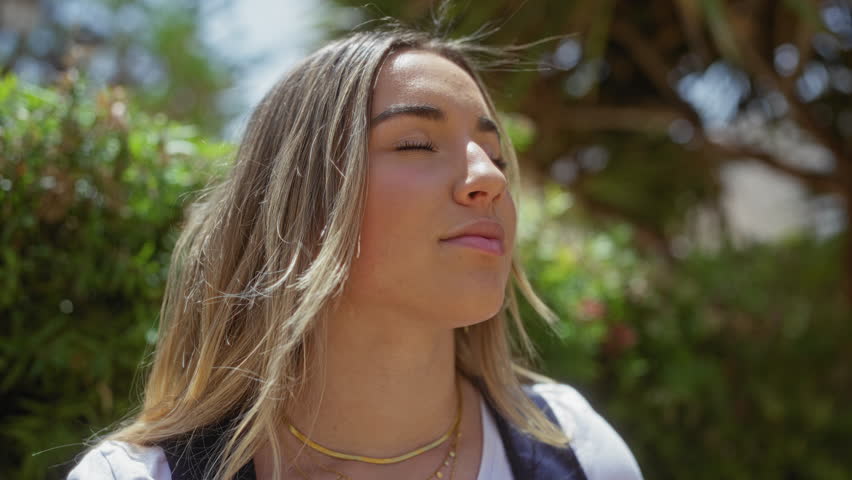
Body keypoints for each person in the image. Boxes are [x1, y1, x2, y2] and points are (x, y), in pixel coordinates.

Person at [67, 21, 643, 480]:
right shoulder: (134, 476)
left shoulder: (579, 454)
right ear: (300, 206)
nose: (487, 178)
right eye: (417, 143)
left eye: (493, 154)